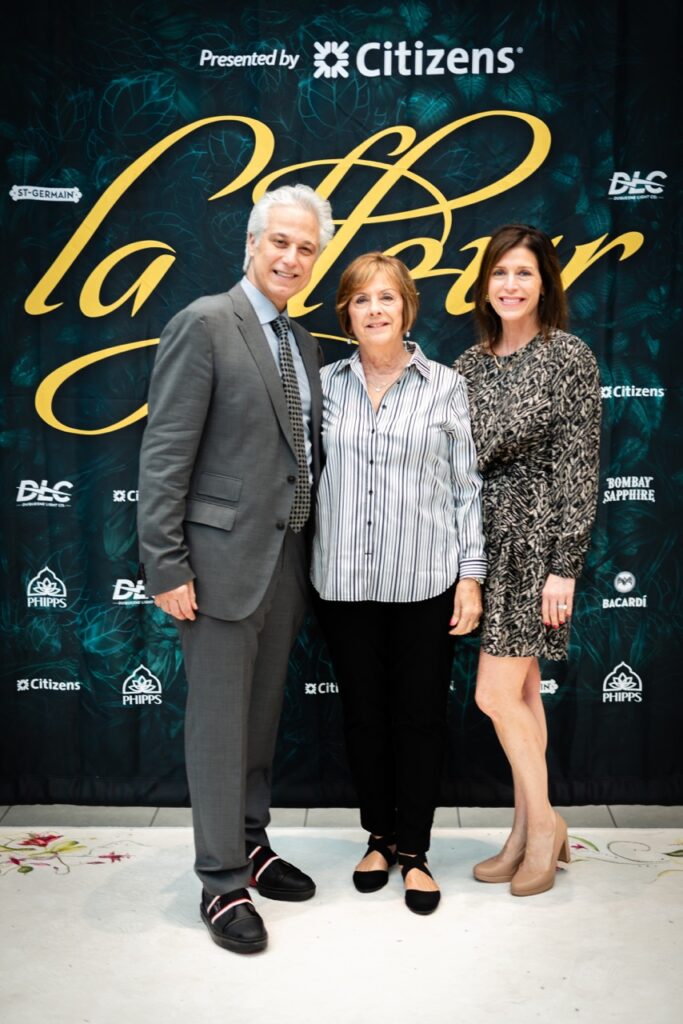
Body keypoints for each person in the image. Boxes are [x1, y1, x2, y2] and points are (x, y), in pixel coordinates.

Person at [137, 183, 335, 953]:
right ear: (252, 243)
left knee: (258, 722)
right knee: (219, 728)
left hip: (283, 559)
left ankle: (251, 842)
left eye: (305, 248)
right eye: (279, 242)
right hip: (215, 565)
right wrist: (165, 563)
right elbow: (164, 458)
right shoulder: (204, 324)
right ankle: (220, 882)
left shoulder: (303, 341)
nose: (291, 257)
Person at [312, 252, 486, 914]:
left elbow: (467, 489)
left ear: (407, 308)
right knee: (363, 717)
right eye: (361, 300)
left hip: (424, 580)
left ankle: (414, 851)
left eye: (387, 297)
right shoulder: (323, 386)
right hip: (343, 583)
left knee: (417, 719)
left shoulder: (444, 385)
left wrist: (470, 579)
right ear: (346, 314)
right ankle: (377, 838)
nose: (375, 309)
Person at [453, 224, 601, 897]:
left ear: (544, 283)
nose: (509, 285)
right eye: (498, 273)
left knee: (492, 694)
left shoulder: (568, 357)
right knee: (516, 692)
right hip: (485, 545)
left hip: (538, 547)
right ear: (484, 285)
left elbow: (579, 468)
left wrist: (564, 565)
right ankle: (523, 828)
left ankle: (544, 827)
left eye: (523, 273)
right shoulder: (467, 366)